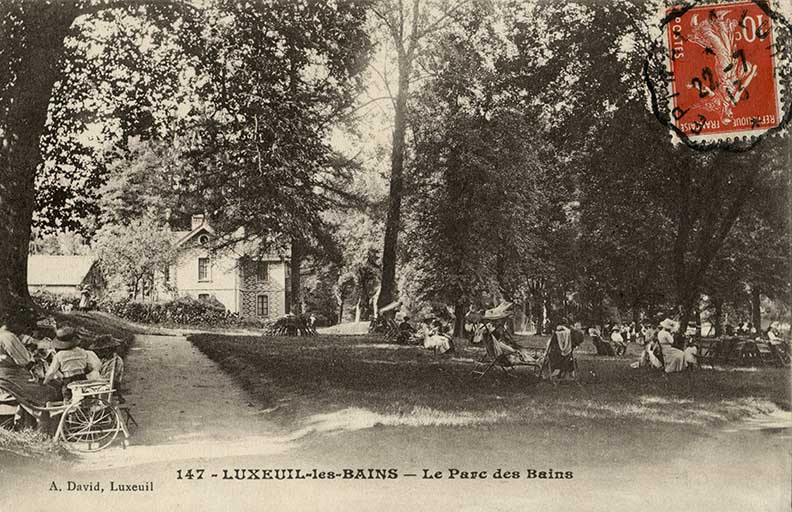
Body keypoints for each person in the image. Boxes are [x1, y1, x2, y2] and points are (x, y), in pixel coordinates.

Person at [43, 326, 102, 401]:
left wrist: (45, 381)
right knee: (84, 395)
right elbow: (92, 366)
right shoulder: (82, 352)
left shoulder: (59, 355)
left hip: (69, 380)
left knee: (67, 396)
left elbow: (51, 372)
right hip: (82, 377)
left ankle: (67, 403)